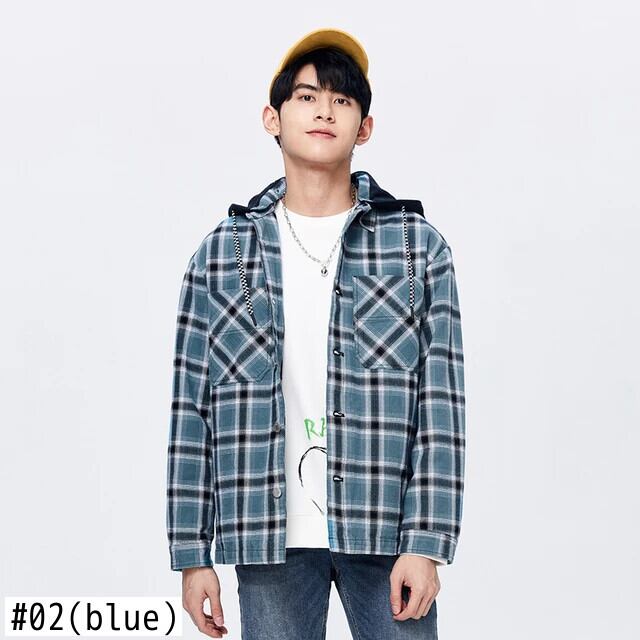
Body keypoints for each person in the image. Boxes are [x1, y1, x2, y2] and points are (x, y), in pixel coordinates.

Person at [166, 27, 466, 639]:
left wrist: (427, 541)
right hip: (266, 535)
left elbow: (441, 404)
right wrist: (193, 554)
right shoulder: (221, 257)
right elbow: (191, 411)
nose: (324, 111)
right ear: (272, 118)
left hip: (386, 531)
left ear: (365, 127)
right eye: (306, 97)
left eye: (341, 100)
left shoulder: (416, 249)